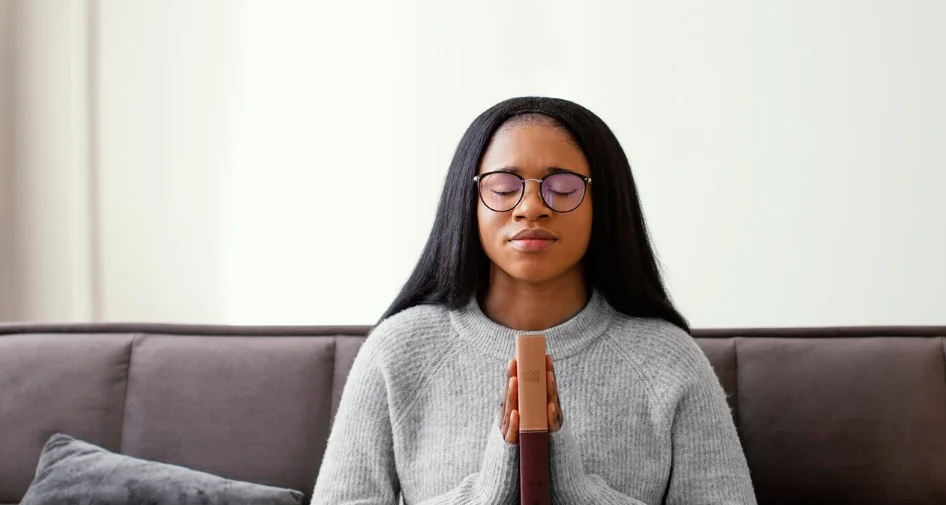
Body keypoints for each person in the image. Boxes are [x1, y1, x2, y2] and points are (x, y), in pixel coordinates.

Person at [311, 97, 757, 504]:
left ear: (604, 203)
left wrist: (575, 488)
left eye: (562, 188)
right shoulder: (398, 350)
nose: (530, 208)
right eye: (504, 187)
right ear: (468, 201)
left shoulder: (668, 359)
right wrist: (489, 491)